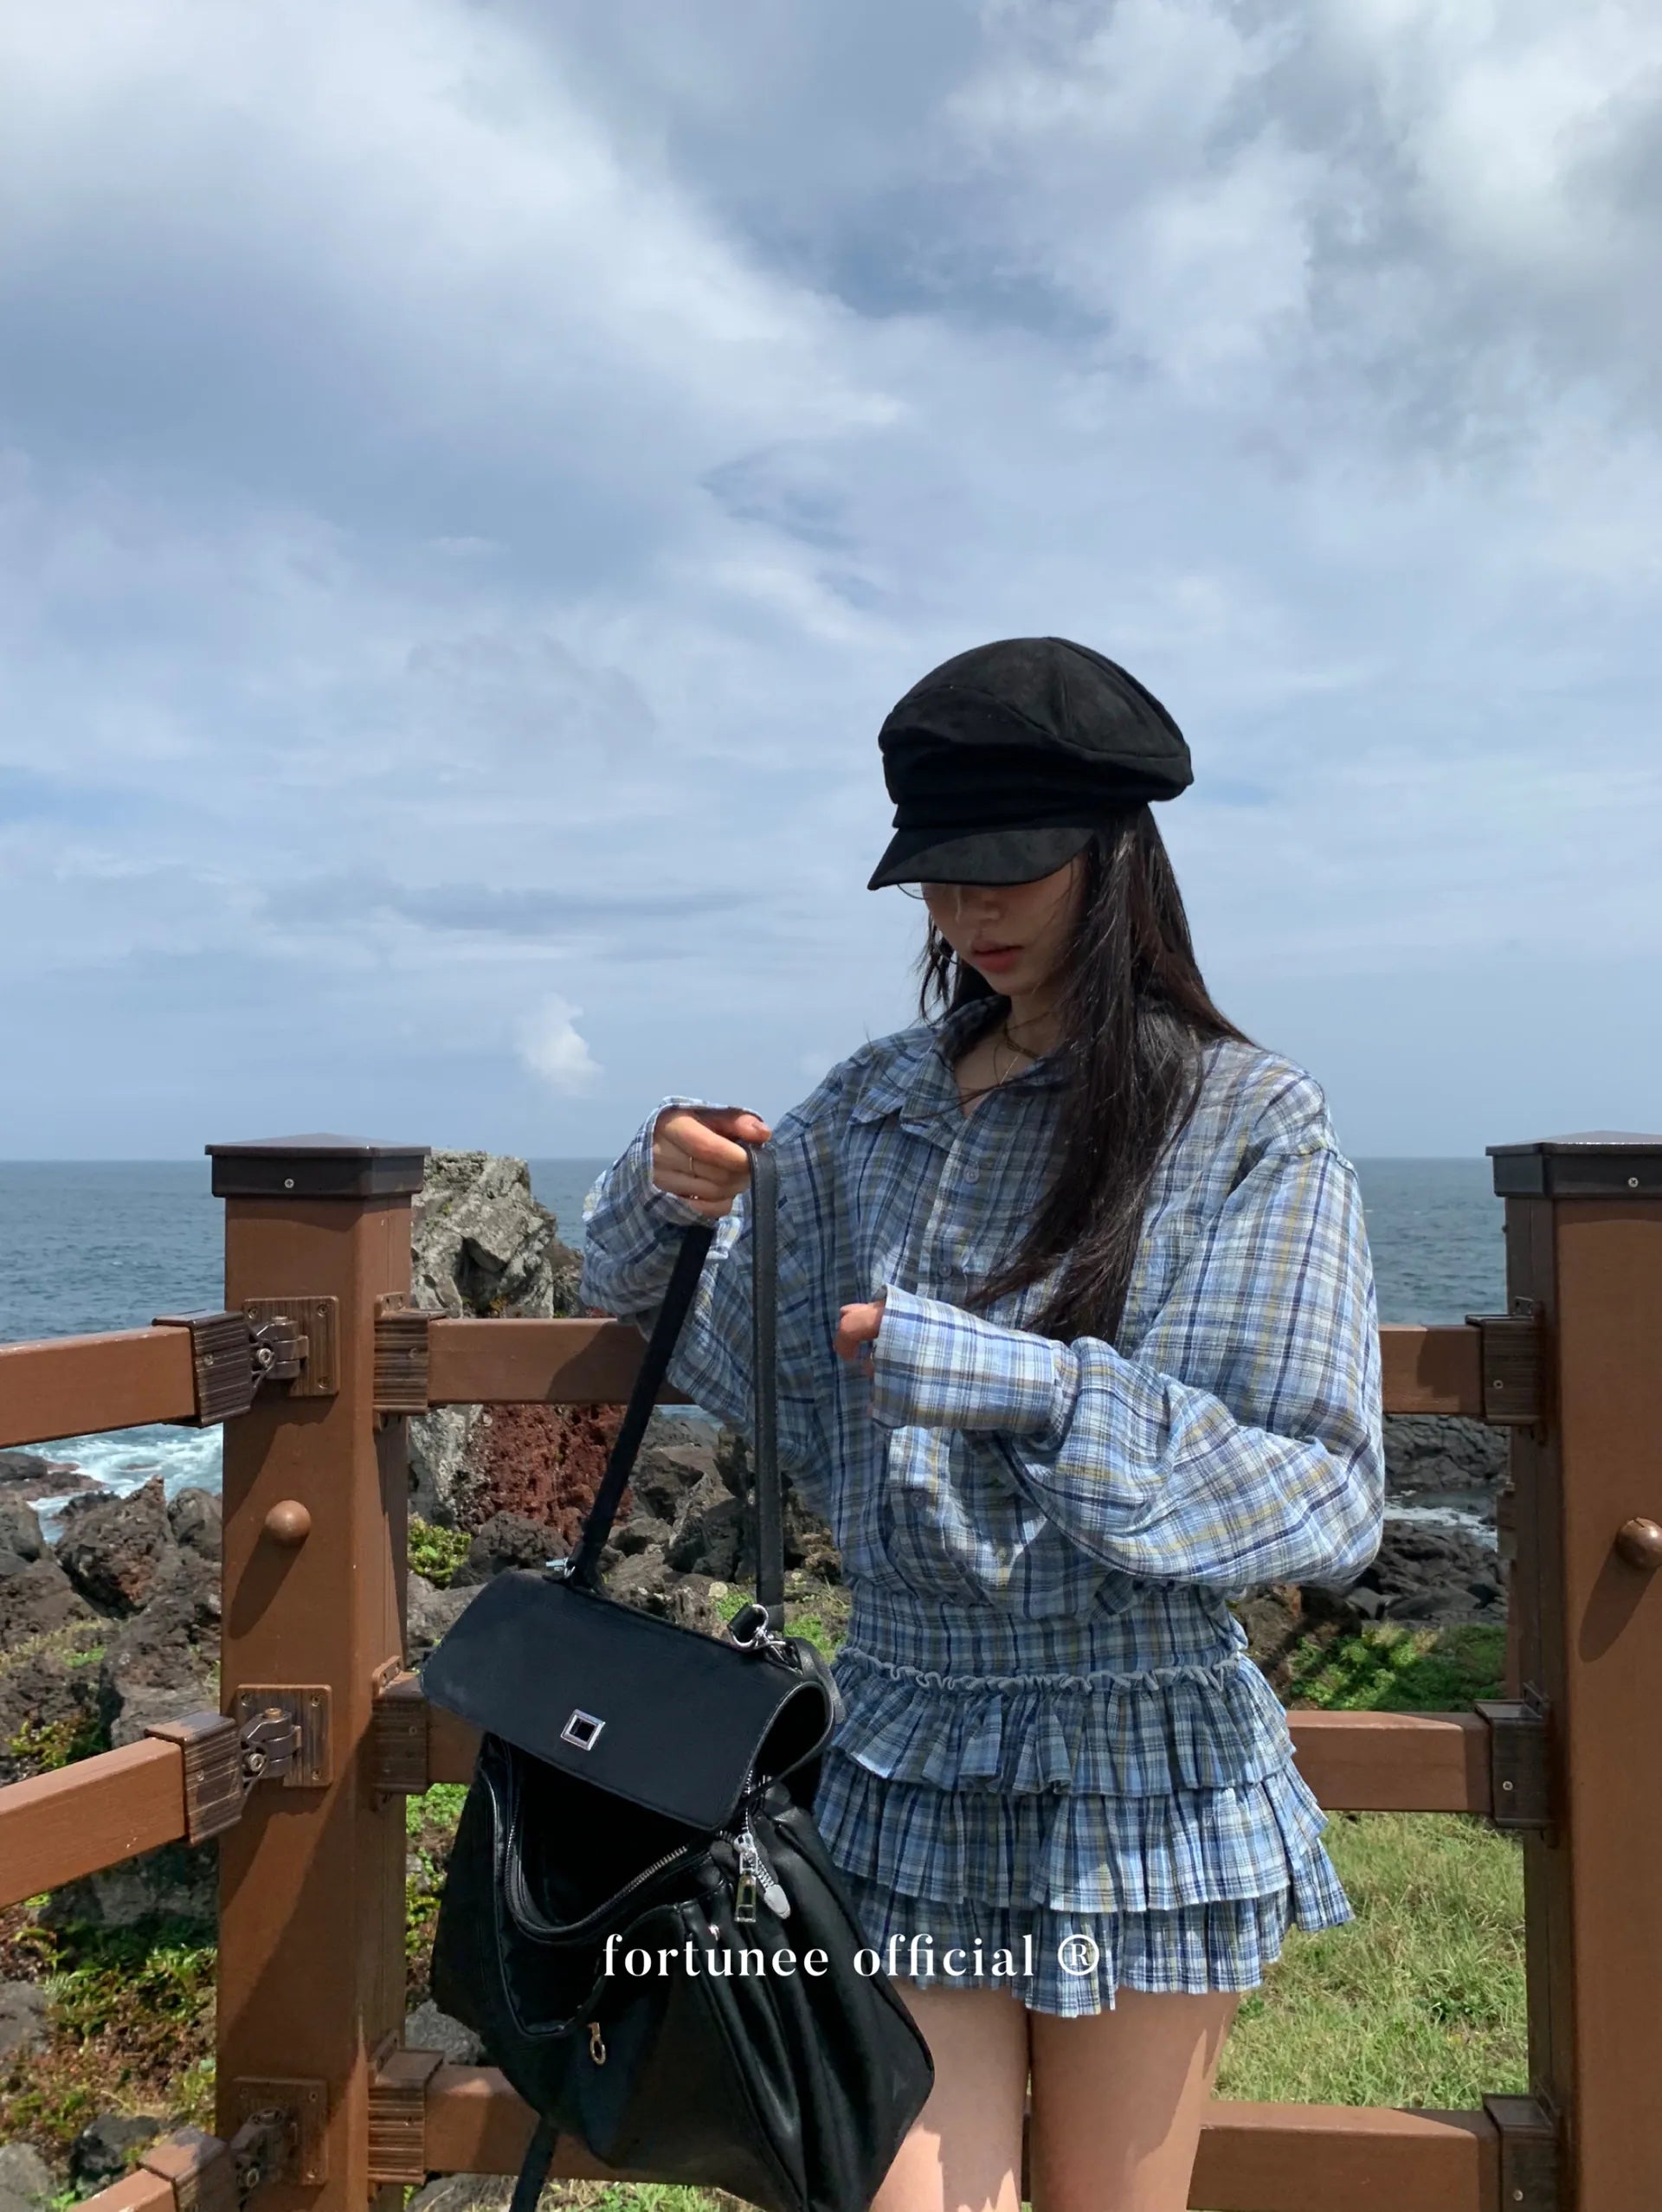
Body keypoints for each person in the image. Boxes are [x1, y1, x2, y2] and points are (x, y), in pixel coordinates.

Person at [578, 635, 1385, 2212]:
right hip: (905, 1735)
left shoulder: (1244, 1118)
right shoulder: (872, 1105)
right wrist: (666, 1183)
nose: (966, 912)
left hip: (1142, 1748)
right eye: (935, 878)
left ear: (1117, 853)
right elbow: (704, 1326)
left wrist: (1019, 1382)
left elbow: (1320, 1486)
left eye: (1006, 867)